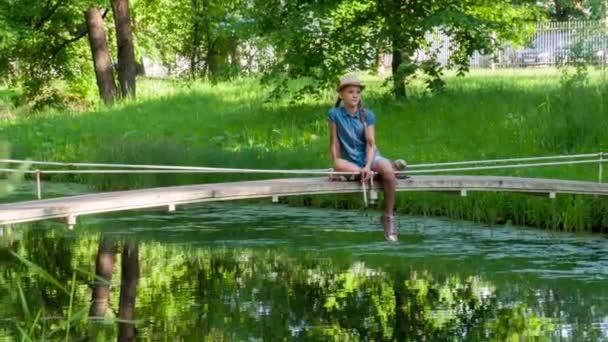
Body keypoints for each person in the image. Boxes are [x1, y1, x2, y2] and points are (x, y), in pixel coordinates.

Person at [327, 74, 406, 242]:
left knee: (386, 172)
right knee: (339, 164)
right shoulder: (334, 114)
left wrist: (368, 165)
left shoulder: (367, 115)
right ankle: (391, 167)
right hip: (351, 162)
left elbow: (371, 144)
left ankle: (389, 217)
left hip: (371, 158)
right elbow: (334, 143)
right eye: (350, 92)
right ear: (341, 95)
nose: (355, 95)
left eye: (357, 92)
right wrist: (336, 167)